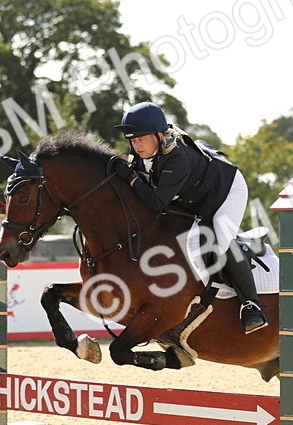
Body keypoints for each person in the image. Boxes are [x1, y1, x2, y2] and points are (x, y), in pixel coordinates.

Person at [111, 102, 267, 334]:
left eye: (141, 139)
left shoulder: (177, 158)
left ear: (158, 135)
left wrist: (131, 179)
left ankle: (252, 307)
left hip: (225, 191)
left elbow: (155, 202)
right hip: (194, 198)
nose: (136, 145)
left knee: (222, 242)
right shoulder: (144, 148)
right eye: (132, 140)